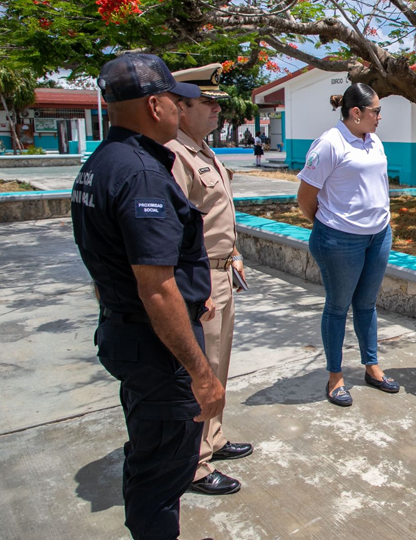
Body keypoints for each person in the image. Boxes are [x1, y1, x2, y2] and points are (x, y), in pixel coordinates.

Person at [71, 53, 225, 540]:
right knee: (164, 470)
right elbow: (156, 288)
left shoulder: (101, 163)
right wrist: (201, 375)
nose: (182, 112)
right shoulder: (141, 174)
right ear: (156, 105)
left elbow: (104, 265)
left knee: (148, 454)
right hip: (157, 349)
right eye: (176, 104)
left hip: (126, 333)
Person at [167, 63, 254, 496]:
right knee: (200, 369)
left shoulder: (203, 150)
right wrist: (195, 284)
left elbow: (218, 218)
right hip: (200, 277)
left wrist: (234, 254)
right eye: (208, 102)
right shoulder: (175, 155)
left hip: (222, 271)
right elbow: (178, 233)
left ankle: (213, 439)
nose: (217, 110)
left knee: (219, 363)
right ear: (181, 107)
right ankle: (194, 464)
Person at [296, 83, 399, 407]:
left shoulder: (374, 140)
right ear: (356, 113)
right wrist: (333, 227)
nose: (380, 116)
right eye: (376, 111)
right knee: (338, 307)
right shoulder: (329, 143)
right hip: (340, 240)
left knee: (367, 304)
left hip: (378, 236)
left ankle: (372, 367)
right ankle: (335, 376)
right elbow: (304, 198)